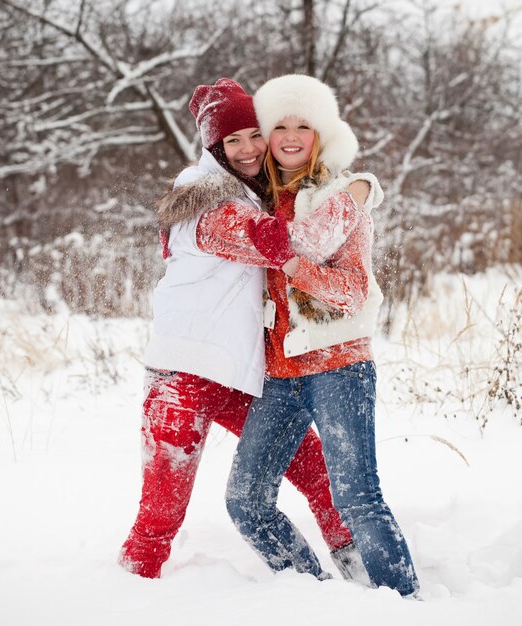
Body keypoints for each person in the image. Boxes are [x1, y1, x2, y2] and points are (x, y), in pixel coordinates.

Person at [119, 78, 372, 580]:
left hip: (237, 372)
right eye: (232, 140)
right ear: (215, 148)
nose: (248, 148)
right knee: (161, 511)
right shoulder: (201, 199)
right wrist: (359, 191)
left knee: (313, 466)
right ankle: (129, 592)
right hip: (181, 376)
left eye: (254, 133)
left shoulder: (258, 192)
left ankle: (354, 566)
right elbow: (279, 242)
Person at [223, 74, 420, 597]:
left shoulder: (342, 195)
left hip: (337, 366)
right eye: (279, 125)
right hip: (279, 374)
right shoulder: (255, 202)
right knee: (246, 501)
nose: (290, 135)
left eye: (303, 125)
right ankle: (315, 598)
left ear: (322, 134)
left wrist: (292, 263)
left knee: (357, 496)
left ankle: (404, 601)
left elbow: (355, 290)